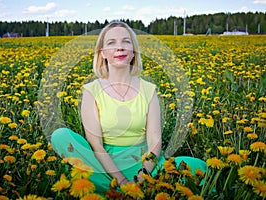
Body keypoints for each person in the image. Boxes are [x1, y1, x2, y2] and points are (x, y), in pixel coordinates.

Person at [51, 21, 207, 193]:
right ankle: (118, 189)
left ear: (133, 51)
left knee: (197, 166)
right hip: (106, 166)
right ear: (102, 53)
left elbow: (155, 142)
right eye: (112, 43)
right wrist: (122, 180)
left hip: (146, 164)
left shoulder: (149, 90)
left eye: (126, 41)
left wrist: (142, 177)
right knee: (60, 136)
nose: (120, 47)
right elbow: (96, 145)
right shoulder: (92, 91)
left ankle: (116, 192)